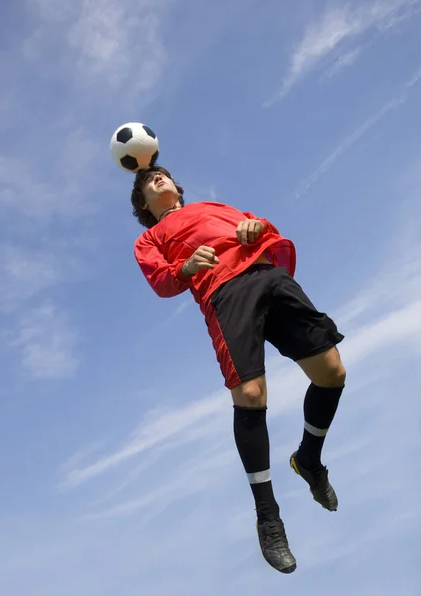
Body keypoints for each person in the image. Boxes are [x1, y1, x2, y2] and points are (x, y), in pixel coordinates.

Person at [131, 166, 346, 574]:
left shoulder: (216, 205)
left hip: (267, 274)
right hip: (223, 293)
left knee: (332, 372)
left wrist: (253, 225)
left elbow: (262, 227)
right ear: (144, 203)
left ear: (177, 188)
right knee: (249, 395)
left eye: (162, 175)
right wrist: (187, 267)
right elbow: (161, 280)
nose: (157, 179)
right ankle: (268, 515)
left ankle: (309, 460)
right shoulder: (148, 238)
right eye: (147, 181)